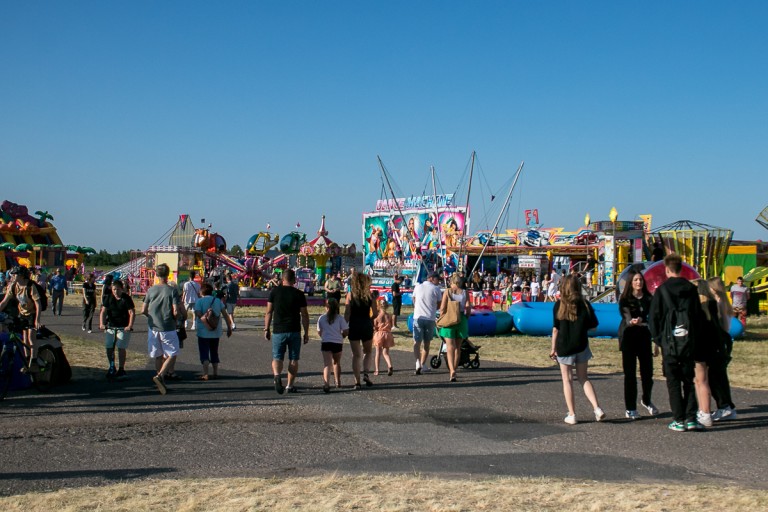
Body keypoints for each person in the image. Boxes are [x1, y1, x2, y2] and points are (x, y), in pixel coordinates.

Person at [649, 253, 705, 432]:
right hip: (689, 341)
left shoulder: (662, 290)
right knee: (689, 380)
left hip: (669, 342)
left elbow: (654, 318)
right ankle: (691, 417)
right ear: (681, 269)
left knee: (673, 382)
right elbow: (698, 317)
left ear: (666, 269)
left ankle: (678, 419)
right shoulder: (690, 289)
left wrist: (658, 340)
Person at [549, 274, 604, 425]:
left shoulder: (558, 305)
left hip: (564, 347)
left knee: (567, 380)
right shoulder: (585, 304)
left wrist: (553, 348)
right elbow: (594, 326)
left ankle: (572, 414)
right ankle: (597, 408)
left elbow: (555, 329)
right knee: (583, 378)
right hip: (581, 345)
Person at [618, 271, 659, 420]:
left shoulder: (648, 298)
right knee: (630, 374)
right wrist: (632, 321)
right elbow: (626, 314)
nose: (638, 282)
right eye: (635, 280)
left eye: (640, 280)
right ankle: (630, 408)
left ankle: (646, 399)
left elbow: (653, 317)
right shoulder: (625, 299)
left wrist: (656, 341)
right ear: (631, 282)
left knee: (647, 373)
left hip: (644, 337)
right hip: (628, 337)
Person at [264, 268, 310, 394]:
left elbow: (269, 312)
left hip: (278, 330)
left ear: (282, 279)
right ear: (294, 280)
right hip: (294, 329)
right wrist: (306, 332)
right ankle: (290, 385)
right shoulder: (299, 294)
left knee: (277, 357)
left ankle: (277, 376)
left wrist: (266, 328)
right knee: (294, 359)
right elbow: (304, 314)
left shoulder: (274, 292)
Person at [141, 263, 182, 395]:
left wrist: (150, 317)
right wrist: (177, 319)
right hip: (167, 326)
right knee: (172, 353)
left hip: (153, 327)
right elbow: (175, 311)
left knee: (158, 355)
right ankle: (161, 375)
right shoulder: (172, 291)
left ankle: (160, 378)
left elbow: (143, 310)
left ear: (156, 275)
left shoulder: (150, 290)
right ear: (168, 274)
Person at [707, 277, 737, 421]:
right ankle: (727, 406)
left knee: (715, 377)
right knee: (720, 376)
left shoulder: (719, 303)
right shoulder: (723, 302)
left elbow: (725, 327)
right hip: (722, 343)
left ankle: (724, 406)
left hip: (719, 342)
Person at [0, 266, 42, 369]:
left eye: (14, 275)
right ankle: (27, 360)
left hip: (32, 314)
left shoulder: (30, 286)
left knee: (31, 338)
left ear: (21, 276)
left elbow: (38, 304)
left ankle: (34, 361)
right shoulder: (13, 286)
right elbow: (4, 302)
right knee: (24, 339)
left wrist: (37, 319)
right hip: (22, 314)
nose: (12, 276)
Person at [344, 272, 377, 389]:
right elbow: (375, 313)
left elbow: (347, 313)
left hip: (354, 324)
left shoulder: (350, 295)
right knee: (367, 352)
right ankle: (366, 373)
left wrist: (344, 326)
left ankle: (356, 381)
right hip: (366, 324)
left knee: (356, 355)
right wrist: (370, 319)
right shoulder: (370, 295)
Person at [194, 282, 232, 380]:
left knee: (204, 352)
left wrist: (204, 319)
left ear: (202, 291)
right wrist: (229, 327)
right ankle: (215, 372)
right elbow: (225, 314)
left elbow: (197, 312)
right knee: (214, 351)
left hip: (203, 331)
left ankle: (205, 373)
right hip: (216, 331)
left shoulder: (199, 301)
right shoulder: (218, 301)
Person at [437, 273, 472, 383]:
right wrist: (466, 317)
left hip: (449, 319)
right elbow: (468, 307)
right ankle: (455, 369)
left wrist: (442, 317)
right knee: (458, 347)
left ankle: (451, 369)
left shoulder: (448, 291)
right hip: (461, 319)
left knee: (449, 347)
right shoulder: (465, 292)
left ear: (451, 282)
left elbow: (442, 308)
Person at [99, 279, 135, 379]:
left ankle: (121, 368)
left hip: (123, 326)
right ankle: (111, 366)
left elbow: (131, 312)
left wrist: (130, 325)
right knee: (109, 346)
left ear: (122, 289)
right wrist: (102, 324)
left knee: (120, 347)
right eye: (114, 289)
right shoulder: (109, 298)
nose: (116, 292)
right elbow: (103, 311)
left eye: (118, 289)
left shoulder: (126, 298)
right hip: (111, 326)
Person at [411, 271, 442, 375]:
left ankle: (417, 362)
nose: (438, 282)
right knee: (427, 342)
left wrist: (418, 307)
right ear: (432, 278)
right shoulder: (436, 289)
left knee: (417, 342)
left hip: (418, 317)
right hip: (430, 318)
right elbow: (439, 304)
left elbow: (414, 299)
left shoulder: (418, 287)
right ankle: (423, 364)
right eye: (438, 279)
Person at [317, 298, 348, 392]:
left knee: (327, 364)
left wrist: (323, 336)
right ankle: (338, 382)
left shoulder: (322, 318)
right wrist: (342, 335)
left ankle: (326, 384)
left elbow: (319, 331)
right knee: (336, 362)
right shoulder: (340, 318)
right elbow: (346, 331)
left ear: (327, 307)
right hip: (337, 342)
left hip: (326, 342)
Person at [373, 300, 395, 376]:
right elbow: (391, 326)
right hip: (388, 334)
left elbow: (375, 326)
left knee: (378, 353)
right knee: (386, 353)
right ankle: (389, 365)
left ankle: (377, 370)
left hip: (379, 334)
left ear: (379, 306)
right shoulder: (389, 316)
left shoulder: (378, 316)